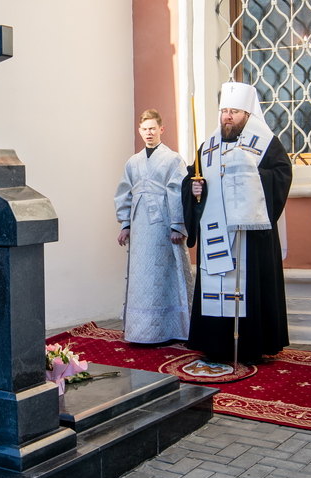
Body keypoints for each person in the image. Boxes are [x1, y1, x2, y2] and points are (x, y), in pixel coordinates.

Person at [181, 82, 292, 373]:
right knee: (215, 285)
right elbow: (193, 180)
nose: (227, 117)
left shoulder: (266, 143)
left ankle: (251, 346)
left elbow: (281, 175)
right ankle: (215, 344)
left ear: (247, 114)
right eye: (224, 111)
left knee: (246, 286)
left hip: (248, 236)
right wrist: (194, 190)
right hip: (216, 231)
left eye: (234, 112)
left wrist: (252, 176)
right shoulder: (208, 147)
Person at [115, 109, 193, 344]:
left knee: (165, 273)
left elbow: (179, 191)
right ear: (139, 131)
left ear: (161, 129)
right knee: (141, 276)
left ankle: (171, 328)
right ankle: (140, 331)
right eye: (144, 129)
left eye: (152, 128)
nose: (148, 133)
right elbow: (124, 194)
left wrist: (178, 226)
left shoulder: (173, 159)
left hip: (164, 224)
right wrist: (125, 224)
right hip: (140, 226)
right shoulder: (133, 162)